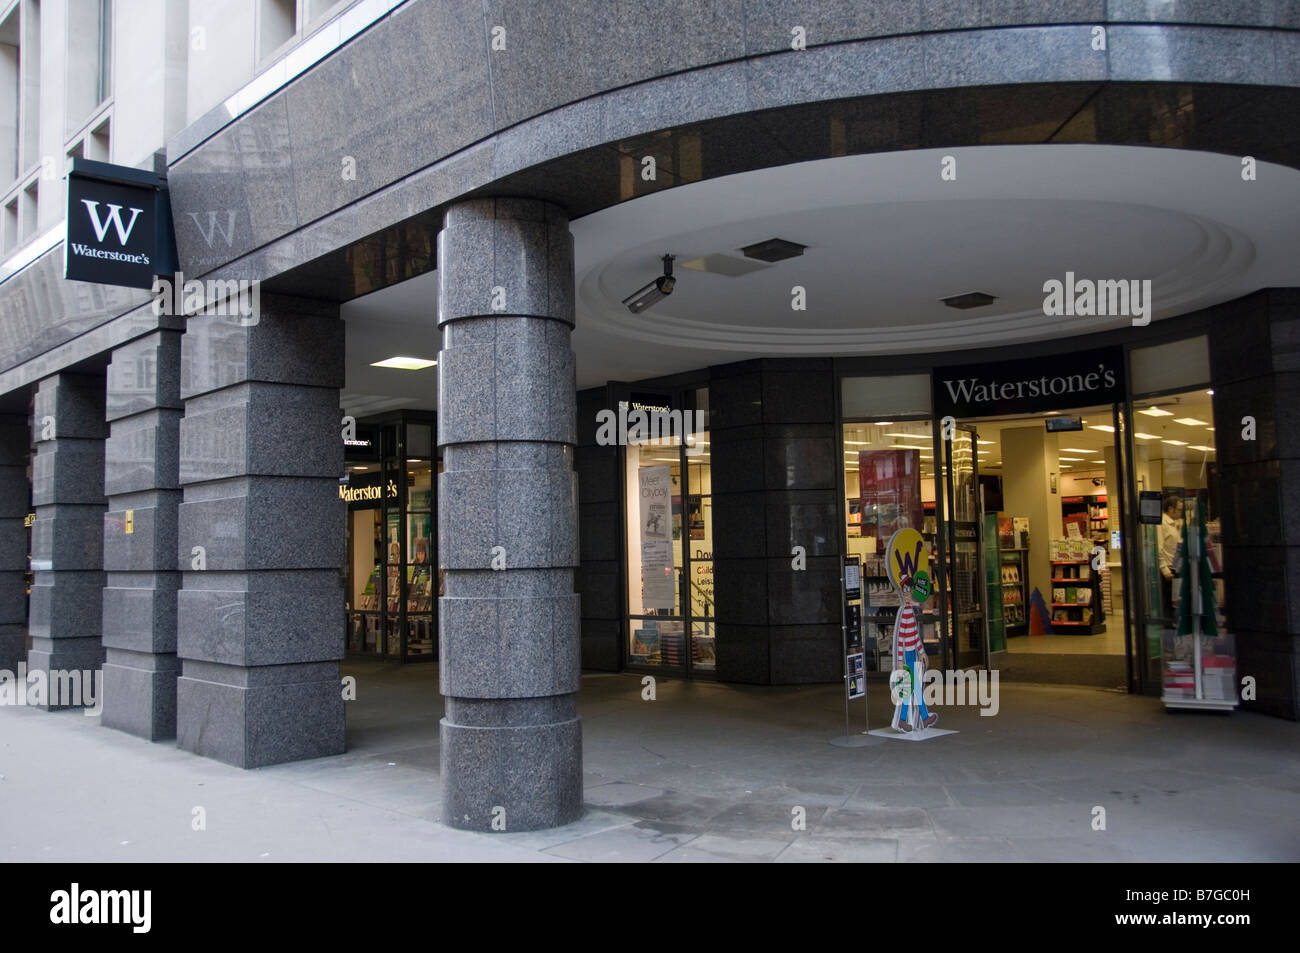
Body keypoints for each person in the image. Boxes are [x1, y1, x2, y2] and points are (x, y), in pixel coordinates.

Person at [1158, 494, 1183, 620]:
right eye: (1179, 509)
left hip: (1176, 567)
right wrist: (1164, 569)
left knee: (1175, 600)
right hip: (1168, 569)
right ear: (1170, 509)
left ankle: (1174, 622)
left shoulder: (1175, 523)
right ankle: (1169, 623)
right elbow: (1159, 548)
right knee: (1168, 601)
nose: (1180, 512)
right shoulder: (1162, 523)